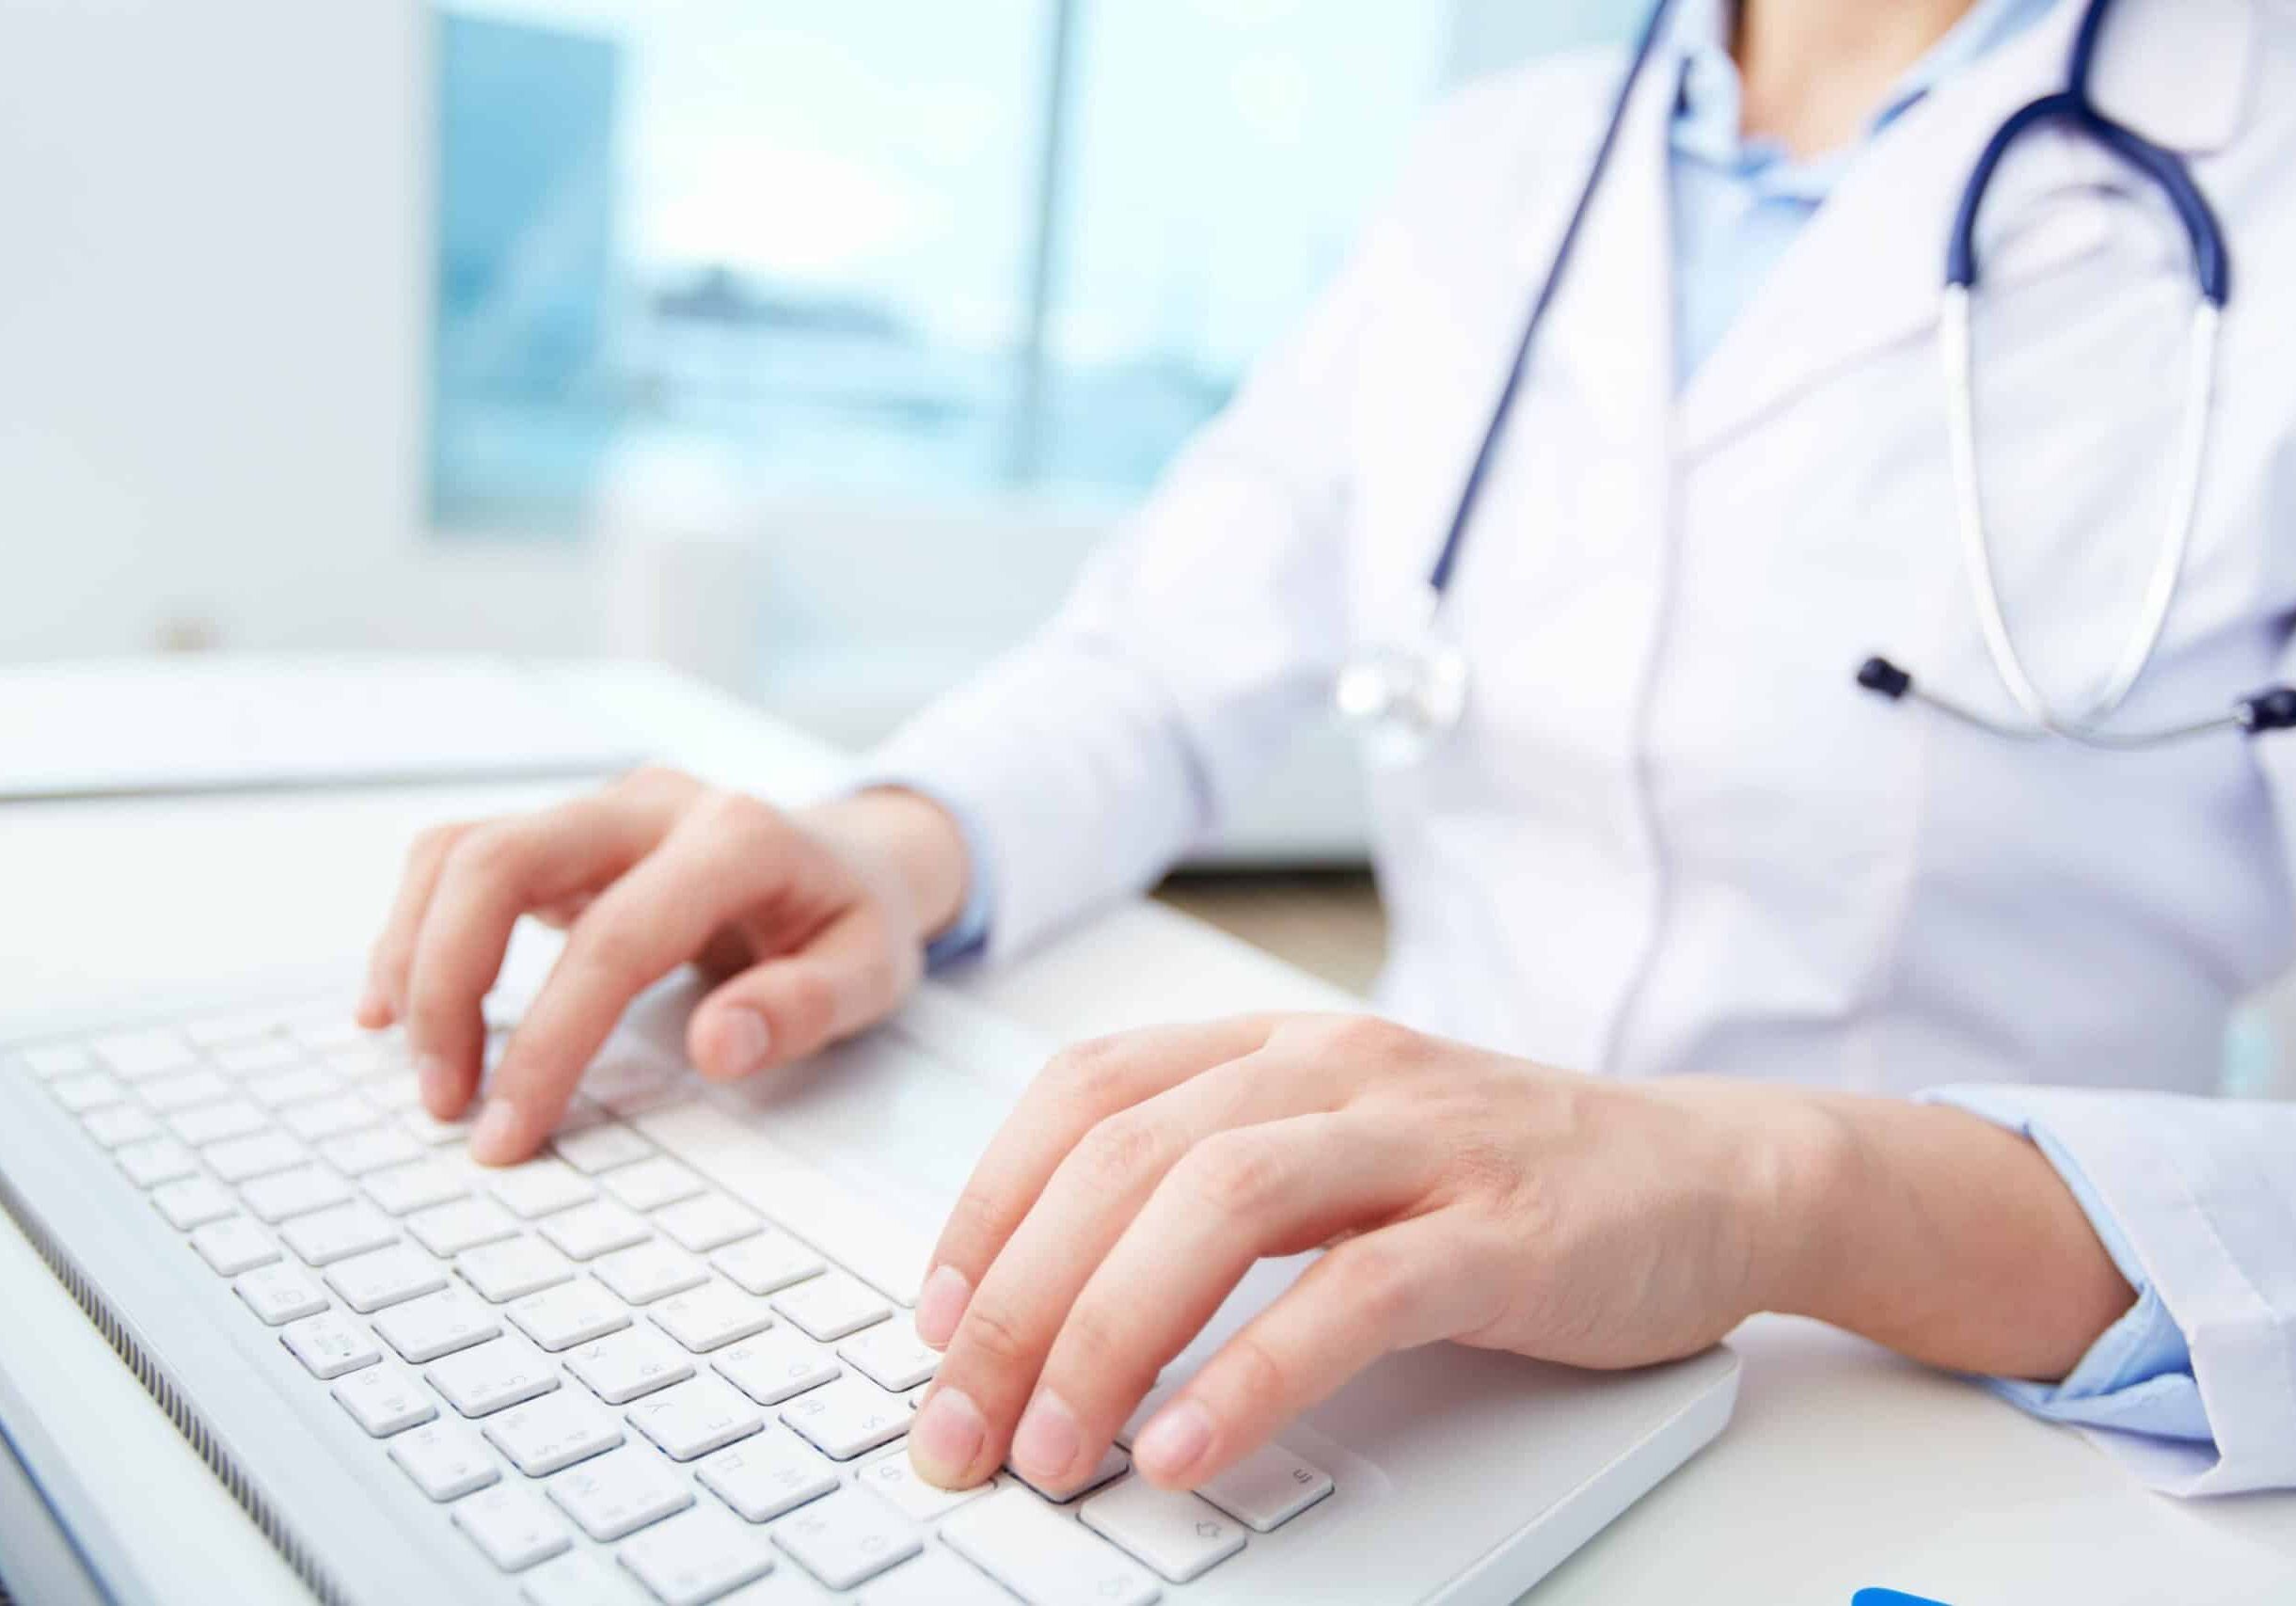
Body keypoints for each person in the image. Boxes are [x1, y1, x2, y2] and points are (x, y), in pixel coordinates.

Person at [359, 0, 2296, 1502]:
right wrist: (886, 841)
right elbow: (1159, 654)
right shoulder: (1502, 162)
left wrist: (1770, 1185)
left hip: (1960, 1410)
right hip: (1403, 1335)